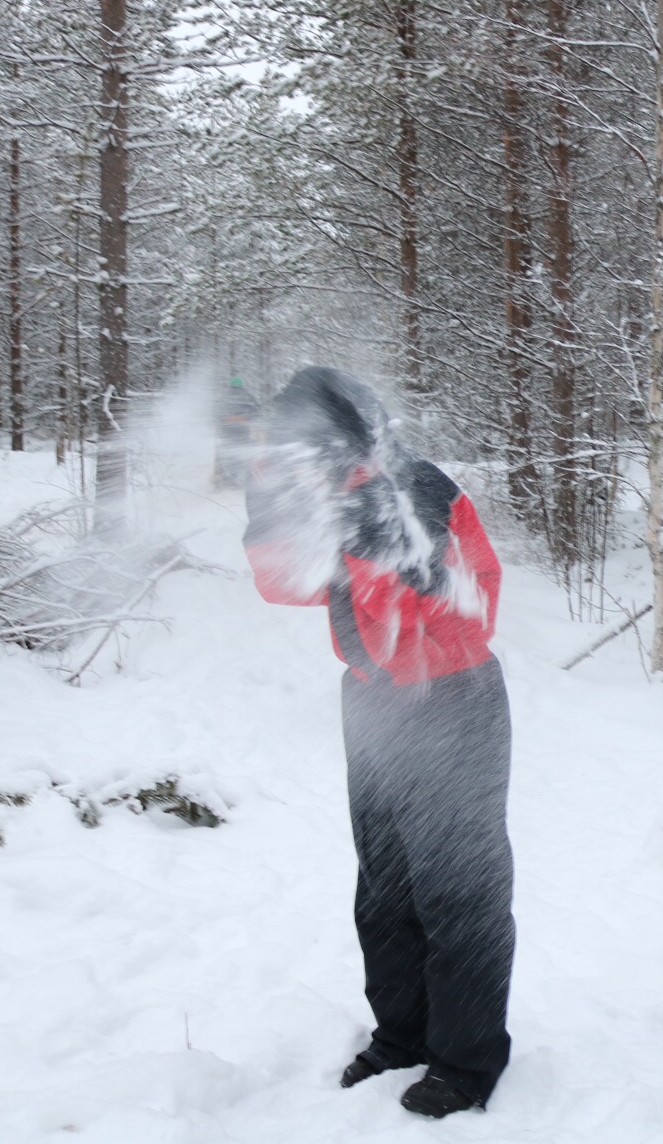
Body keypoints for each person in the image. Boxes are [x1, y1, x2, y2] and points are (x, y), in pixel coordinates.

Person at [243, 367, 514, 1117]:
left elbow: (465, 613)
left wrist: (376, 538)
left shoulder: (413, 489)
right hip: (371, 706)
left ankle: (466, 1061)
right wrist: (267, 493)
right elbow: (279, 581)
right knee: (385, 889)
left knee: (459, 894)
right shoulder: (329, 496)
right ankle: (404, 1035)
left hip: (450, 698)